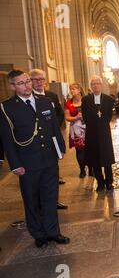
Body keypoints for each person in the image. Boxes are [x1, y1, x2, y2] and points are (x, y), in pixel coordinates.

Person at [0, 69, 70, 248]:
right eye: (22, 83)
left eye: (28, 81)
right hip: (27, 163)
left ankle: (53, 231)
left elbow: (54, 127)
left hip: (48, 159)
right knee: (31, 199)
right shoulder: (7, 107)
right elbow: (7, 139)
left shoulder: (45, 101)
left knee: (50, 196)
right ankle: (38, 234)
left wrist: (60, 149)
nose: (27, 85)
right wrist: (15, 165)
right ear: (13, 86)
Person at [29, 68, 68, 210]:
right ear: (30, 81)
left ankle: (54, 200)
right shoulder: (29, 97)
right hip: (37, 141)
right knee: (39, 173)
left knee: (53, 171)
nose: (39, 82)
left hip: (52, 138)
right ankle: (40, 202)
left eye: (42, 79)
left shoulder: (51, 95)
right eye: (36, 80)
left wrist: (52, 125)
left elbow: (59, 113)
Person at [81, 75, 115, 192]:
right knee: (95, 159)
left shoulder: (108, 99)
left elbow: (109, 116)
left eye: (97, 83)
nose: (95, 85)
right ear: (91, 86)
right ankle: (100, 182)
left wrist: (101, 124)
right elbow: (85, 116)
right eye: (93, 84)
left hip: (105, 133)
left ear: (101, 85)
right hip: (91, 133)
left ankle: (109, 182)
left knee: (107, 159)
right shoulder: (86, 100)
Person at [64, 83, 92, 178]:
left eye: (73, 89)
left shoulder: (87, 100)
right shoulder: (68, 102)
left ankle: (91, 169)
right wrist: (75, 117)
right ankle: (82, 170)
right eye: (70, 89)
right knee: (79, 150)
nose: (72, 91)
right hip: (76, 129)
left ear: (79, 90)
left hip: (88, 127)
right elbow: (67, 117)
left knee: (89, 149)